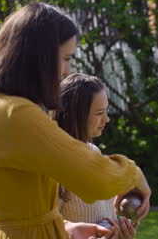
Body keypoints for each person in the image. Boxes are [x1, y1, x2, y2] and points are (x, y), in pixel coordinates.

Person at [0, 2, 151, 239]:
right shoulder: (15, 114)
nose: (67, 70)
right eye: (66, 58)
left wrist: (65, 229)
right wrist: (134, 175)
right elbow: (94, 176)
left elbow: (19, 209)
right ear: (39, 58)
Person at [50, 73, 137, 239]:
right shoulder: (53, 164)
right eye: (99, 113)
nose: (107, 119)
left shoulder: (94, 153)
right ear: (76, 115)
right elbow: (44, 228)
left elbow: (102, 219)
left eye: (106, 111)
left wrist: (120, 234)